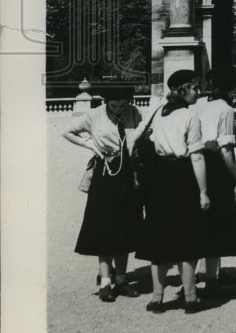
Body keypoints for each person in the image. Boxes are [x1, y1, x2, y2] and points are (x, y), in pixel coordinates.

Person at [135, 69, 209, 315]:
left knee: (160, 237)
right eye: (195, 87)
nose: (199, 91)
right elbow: (197, 157)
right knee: (187, 237)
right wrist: (203, 192)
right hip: (182, 176)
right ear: (184, 89)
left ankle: (157, 298)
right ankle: (190, 297)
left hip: (159, 178)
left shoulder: (158, 113)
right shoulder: (191, 117)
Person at [62, 82, 143, 301]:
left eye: (123, 105)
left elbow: (141, 136)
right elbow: (67, 131)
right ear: (107, 102)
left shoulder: (134, 112)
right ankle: (106, 281)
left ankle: (122, 279)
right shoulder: (94, 115)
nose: (118, 109)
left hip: (128, 173)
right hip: (106, 173)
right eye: (114, 106)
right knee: (105, 226)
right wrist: (90, 146)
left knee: (126, 225)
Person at [195, 65, 236, 296]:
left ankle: (205, 270)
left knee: (204, 220)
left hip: (198, 162)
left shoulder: (199, 105)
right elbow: (227, 148)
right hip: (217, 165)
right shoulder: (226, 109)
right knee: (218, 222)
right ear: (234, 87)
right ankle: (212, 279)